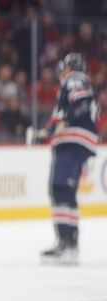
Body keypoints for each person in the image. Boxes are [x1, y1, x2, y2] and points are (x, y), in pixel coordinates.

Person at [36, 53, 98, 265]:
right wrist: (45, 133)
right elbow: (59, 118)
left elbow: (80, 103)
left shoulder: (74, 79)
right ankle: (70, 241)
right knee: (65, 191)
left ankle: (65, 242)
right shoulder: (70, 85)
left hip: (73, 141)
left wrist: (65, 122)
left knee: (60, 188)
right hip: (74, 142)